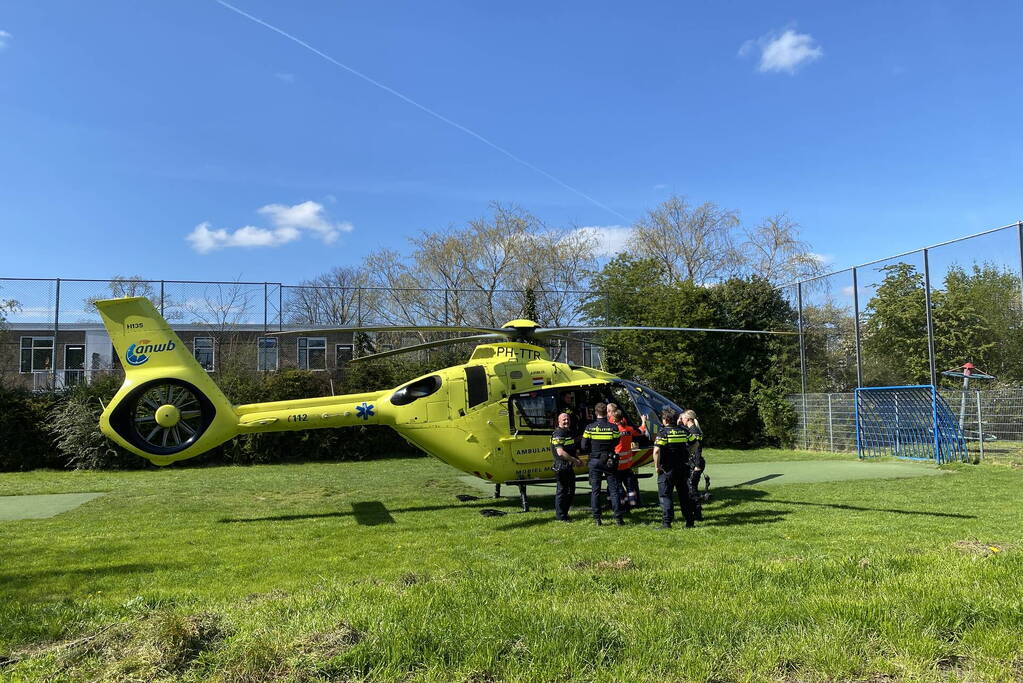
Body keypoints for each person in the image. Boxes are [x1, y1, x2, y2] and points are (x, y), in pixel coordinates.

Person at [580, 402, 623, 526]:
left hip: (594, 460)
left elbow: (583, 446)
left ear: (595, 412)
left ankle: (597, 518)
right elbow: (616, 442)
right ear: (606, 413)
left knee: (595, 490)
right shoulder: (613, 427)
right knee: (614, 490)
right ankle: (618, 518)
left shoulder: (589, 428)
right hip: (609, 460)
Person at [653, 408, 696, 529]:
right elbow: (695, 443)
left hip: (667, 469)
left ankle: (667, 523)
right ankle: (689, 521)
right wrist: (689, 453)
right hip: (682, 468)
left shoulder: (663, 433)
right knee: (684, 495)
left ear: (666, 420)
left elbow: (656, 451)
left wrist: (657, 466)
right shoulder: (684, 431)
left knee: (666, 495)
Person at [550, 412, 583, 521]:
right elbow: (560, 452)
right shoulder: (558, 433)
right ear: (558, 421)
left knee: (570, 491)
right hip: (561, 466)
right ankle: (561, 516)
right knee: (562, 491)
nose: (566, 421)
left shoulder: (568, 432)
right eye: (564, 420)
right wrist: (575, 460)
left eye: (568, 419)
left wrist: (576, 455)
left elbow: (572, 446)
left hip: (568, 466)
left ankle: (564, 514)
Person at [609, 407, 643, 510]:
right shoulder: (629, 429)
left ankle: (621, 504)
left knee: (617, 486)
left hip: (616, 464)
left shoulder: (613, 431)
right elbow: (641, 431)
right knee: (630, 485)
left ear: (614, 419)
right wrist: (644, 422)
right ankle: (632, 503)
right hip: (627, 464)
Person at [679, 409, 706, 520]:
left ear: (689, 419)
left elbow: (697, 450)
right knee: (691, 488)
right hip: (693, 463)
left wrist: (697, 465)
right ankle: (695, 512)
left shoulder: (694, 431)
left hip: (696, 463)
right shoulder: (691, 430)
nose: (682, 420)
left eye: (683, 418)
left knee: (692, 489)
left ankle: (697, 513)